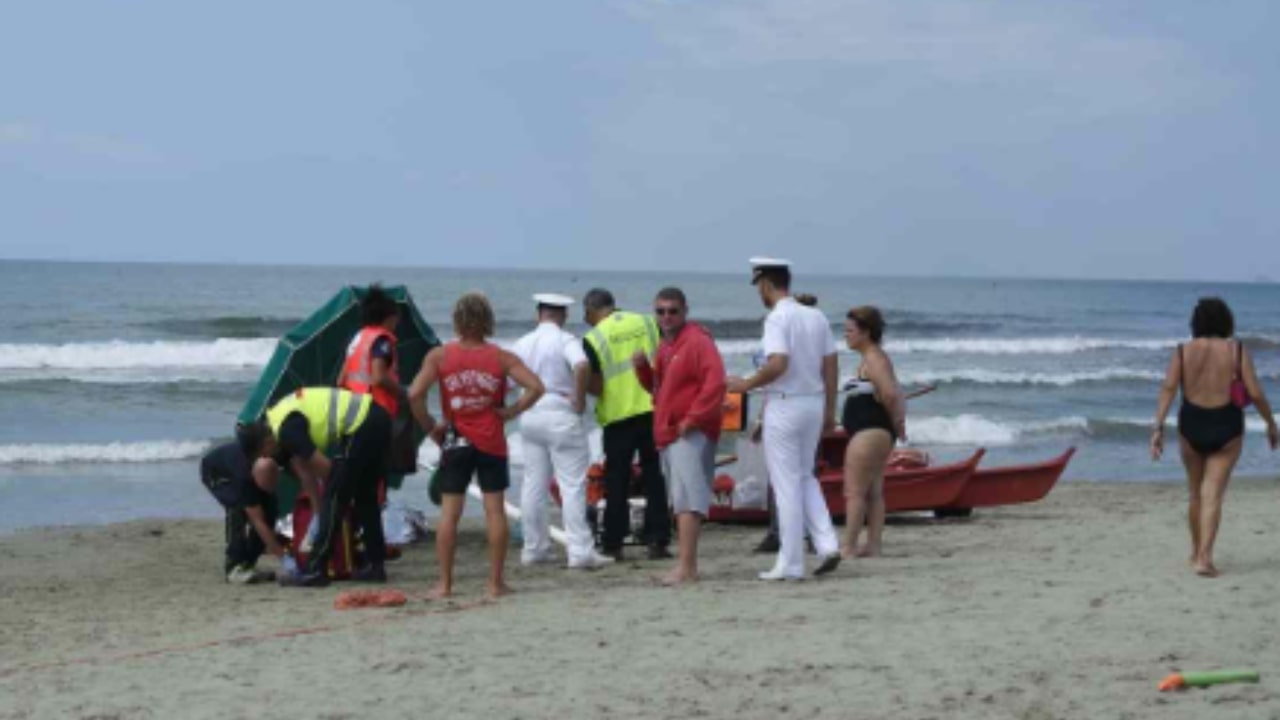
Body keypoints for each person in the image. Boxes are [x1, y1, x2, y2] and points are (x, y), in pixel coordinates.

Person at [409, 292, 544, 599]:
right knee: (494, 511)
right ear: (487, 321)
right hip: (491, 440)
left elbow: (414, 394)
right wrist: (511, 412)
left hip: (456, 439)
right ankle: (495, 584)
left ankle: (444, 585)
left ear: (457, 321)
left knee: (449, 514)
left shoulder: (440, 357)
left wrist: (431, 427)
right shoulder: (501, 357)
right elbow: (536, 387)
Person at [727, 258, 841, 580]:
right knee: (805, 477)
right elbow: (830, 365)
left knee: (786, 484)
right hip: (813, 403)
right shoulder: (815, 315)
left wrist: (745, 384)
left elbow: (778, 363)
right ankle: (827, 543)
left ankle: (790, 562)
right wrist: (830, 410)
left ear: (765, 283)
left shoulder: (777, 318)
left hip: (784, 403)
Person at [1152, 297, 1278, 577]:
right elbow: (1255, 393)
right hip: (1227, 425)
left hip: (1191, 424)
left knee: (1196, 493)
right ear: (1226, 321)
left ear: (1196, 323)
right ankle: (1204, 558)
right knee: (1214, 495)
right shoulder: (1237, 351)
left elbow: (1168, 389)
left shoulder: (1183, 351)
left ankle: (1196, 552)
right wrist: (1271, 423)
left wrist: (1157, 428)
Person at [244, 386, 392, 587]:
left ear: (266, 441)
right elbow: (305, 472)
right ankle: (376, 566)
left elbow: (326, 469)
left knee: (335, 496)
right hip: (375, 418)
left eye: (264, 454)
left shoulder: (288, 430)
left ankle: (316, 569)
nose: (268, 458)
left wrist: (329, 502)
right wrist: (316, 510)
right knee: (365, 497)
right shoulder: (279, 418)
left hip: (362, 424)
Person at [511, 293, 613, 570]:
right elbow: (581, 365)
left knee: (533, 483)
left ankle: (535, 548)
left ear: (538, 314)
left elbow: (508, 378)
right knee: (572, 485)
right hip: (559, 411)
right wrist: (579, 399)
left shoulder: (523, 343)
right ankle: (580, 551)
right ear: (563, 315)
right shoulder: (565, 340)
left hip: (531, 413)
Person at [635, 287, 726, 585]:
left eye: (672, 311)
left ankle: (687, 568)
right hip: (670, 432)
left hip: (689, 431)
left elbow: (715, 383)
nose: (666, 317)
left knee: (688, 499)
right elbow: (659, 390)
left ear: (684, 311)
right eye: (660, 311)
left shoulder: (698, 341)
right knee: (681, 499)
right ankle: (686, 566)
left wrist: (692, 419)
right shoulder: (665, 347)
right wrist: (641, 370)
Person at [581, 288, 671, 562]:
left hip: (618, 417)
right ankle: (657, 540)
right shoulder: (646, 322)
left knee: (616, 480)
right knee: (655, 477)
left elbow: (595, 383)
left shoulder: (593, 337)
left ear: (590, 312)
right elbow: (666, 357)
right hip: (652, 408)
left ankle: (613, 542)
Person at [840, 306, 905, 558]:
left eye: (850, 331)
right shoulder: (870, 358)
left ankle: (849, 546)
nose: (846, 335)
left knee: (854, 492)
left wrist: (897, 421)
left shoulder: (875, 359)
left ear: (866, 332)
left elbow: (890, 393)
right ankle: (873, 544)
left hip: (870, 430)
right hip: (875, 430)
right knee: (874, 491)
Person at [199, 437, 287, 584]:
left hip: (251, 470)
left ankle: (248, 563)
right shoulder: (243, 478)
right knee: (238, 509)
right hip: (218, 473)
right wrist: (284, 559)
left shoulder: (276, 454)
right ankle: (234, 567)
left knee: (270, 510)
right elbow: (258, 521)